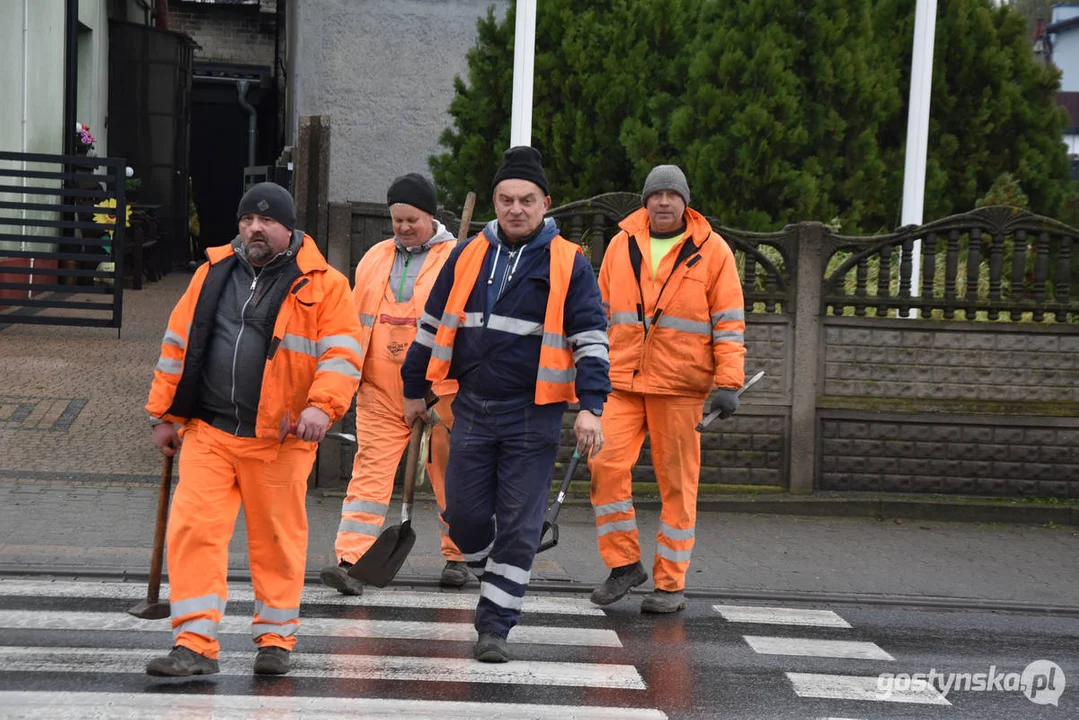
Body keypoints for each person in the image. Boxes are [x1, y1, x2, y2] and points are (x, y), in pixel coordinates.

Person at [144, 182, 363, 676]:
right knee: (194, 532)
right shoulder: (212, 272)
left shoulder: (326, 285)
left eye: (265, 221)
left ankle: (276, 640)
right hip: (210, 430)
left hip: (280, 440)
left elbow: (343, 355)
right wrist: (164, 414)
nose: (254, 229)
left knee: (278, 543)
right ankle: (194, 644)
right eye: (246, 220)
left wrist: (321, 408)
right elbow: (178, 344)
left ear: (289, 227)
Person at [401, 146, 610, 663]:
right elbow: (431, 325)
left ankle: (494, 625)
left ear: (546, 203)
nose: (516, 208)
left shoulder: (570, 263)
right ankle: (494, 572)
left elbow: (590, 338)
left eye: (527, 200)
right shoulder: (467, 254)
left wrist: (591, 405)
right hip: (470, 406)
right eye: (506, 199)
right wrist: (413, 388)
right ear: (495, 201)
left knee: (518, 526)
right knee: (466, 519)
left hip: (531, 413)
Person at [588, 165, 745, 614]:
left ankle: (670, 585)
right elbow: (599, 313)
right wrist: (590, 373)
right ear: (645, 200)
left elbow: (729, 322)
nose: (662, 201)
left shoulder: (713, 252)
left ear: (685, 202)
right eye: (655, 194)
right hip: (621, 381)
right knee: (604, 463)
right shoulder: (621, 244)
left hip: (680, 386)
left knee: (677, 485)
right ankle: (624, 565)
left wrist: (729, 381)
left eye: (671, 195)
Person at [320, 173, 469, 596]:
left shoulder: (456, 259)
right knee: (369, 475)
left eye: (412, 219)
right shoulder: (373, 258)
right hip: (379, 390)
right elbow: (352, 321)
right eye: (397, 220)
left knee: (450, 474)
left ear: (431, 216)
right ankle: (351, 559)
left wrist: (437, 387)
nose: (403, 228)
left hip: (441, 390)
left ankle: (458, 557)